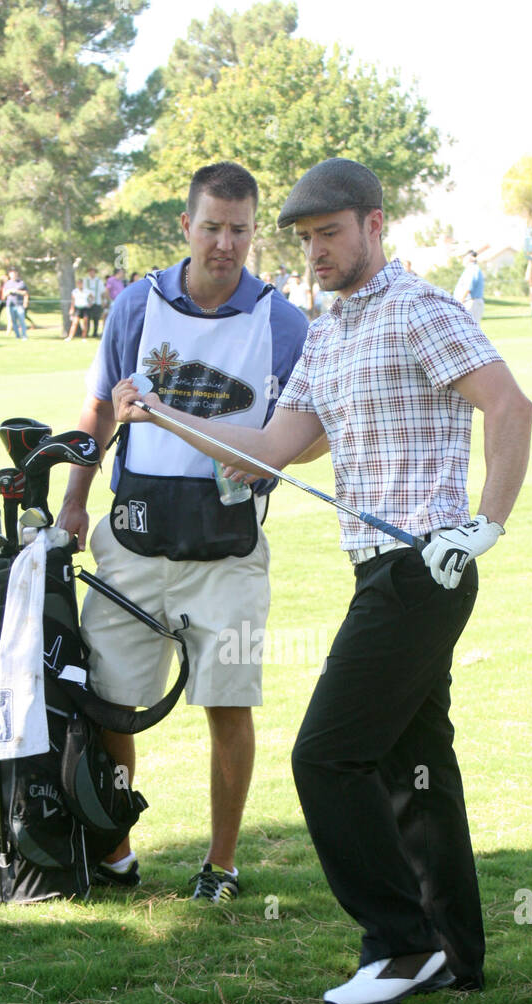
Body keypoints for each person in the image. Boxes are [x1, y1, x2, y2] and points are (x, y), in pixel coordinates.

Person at [112, 158, 532, 1004]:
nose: (316, 254)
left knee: (327, 755)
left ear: (374, 225)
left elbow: (510, 406)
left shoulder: (421, 310)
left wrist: (484, 524)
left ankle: (399, 943)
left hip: (426, 567)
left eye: (330, 235)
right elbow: (267, 450)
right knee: (415, 769)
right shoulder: (330, 331)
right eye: (305, 241)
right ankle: (453, 957)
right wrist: (160, 412)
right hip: (376, 570)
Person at [56, 161, 309, 902]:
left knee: (227, 704)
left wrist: (272, 460)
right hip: (131, 541)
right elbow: (98, 409)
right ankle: (116, 853)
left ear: (253, 231)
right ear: (185, 227)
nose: (224, 243)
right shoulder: (136, 306)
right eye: (211, 227)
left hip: (225, 553)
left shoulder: (282, 321)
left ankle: (220, 866)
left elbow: (308, 429)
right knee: (110, 704)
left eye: (238, 229)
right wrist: (76, 501)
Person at [454, 250, 485, 323]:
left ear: (470, 258)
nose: (463, 260)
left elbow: (468, 287)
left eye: (464, 257)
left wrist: (460, 302)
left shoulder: (472, 269)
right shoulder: (470, 269)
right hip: (469, 302)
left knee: (470, 329)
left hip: (470, 302)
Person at [3, 268, 29, 339]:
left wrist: (16, 291)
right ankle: (17, 335)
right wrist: (8, 292)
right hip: (10, 305)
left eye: (14, 273)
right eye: (11, 273)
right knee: (13, 321)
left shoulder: (21, 283)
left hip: (19, 304)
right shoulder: (7, 283)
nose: (13, 275)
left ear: (16, 274)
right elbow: (3, 296)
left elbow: (25, 293)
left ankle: (24, 335)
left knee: (22, 320)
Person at [84, 266, 105, 338]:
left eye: (93, 272)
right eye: (90, 272)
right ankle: (86, 332)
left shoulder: (99, 281)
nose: (91, 273)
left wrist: (103, 301)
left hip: (97, 301)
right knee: (88, 318)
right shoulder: (86, 281)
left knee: (96, 318)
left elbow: (102, 292)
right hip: (87, 303)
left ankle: (95, 332)